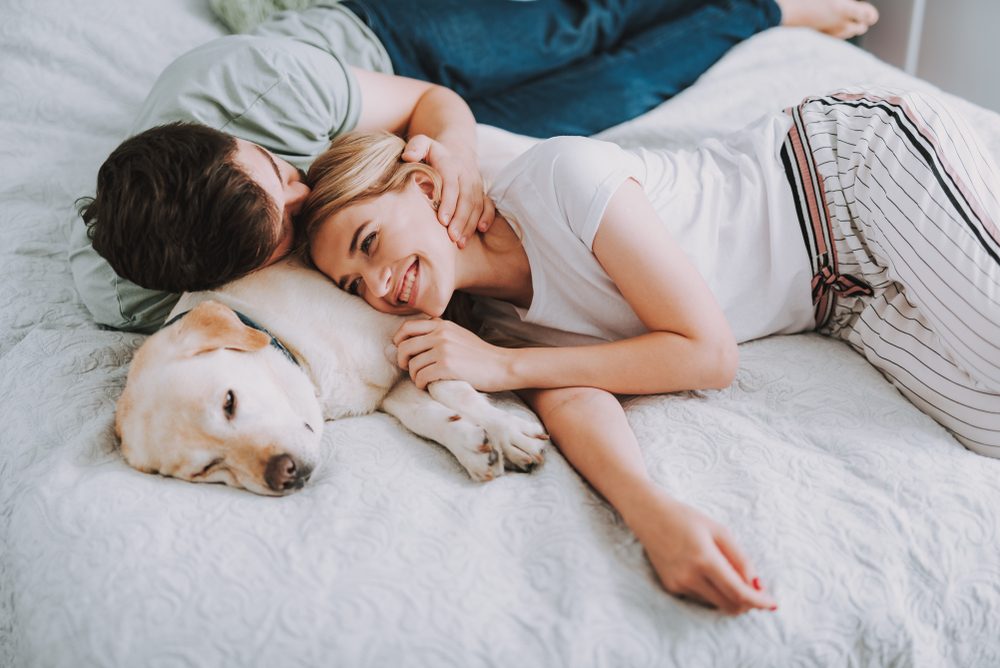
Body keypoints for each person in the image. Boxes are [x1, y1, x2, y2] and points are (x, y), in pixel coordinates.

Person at [301, 89, 1000, 614]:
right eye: (354, 285)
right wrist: (651, 514)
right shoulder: (491, 327)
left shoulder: (559, 180)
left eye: (368, 244)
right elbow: (577, 400)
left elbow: (707, 355)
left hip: (842, 177)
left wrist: (507, 370)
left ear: (426, 187)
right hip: (843, 299)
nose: (378, 285)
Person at [70, 0, 878, 334]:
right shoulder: (135, 289)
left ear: (221, 139)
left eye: (276, 172)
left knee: (576, 25)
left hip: (385, 46)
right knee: (617, 90)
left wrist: (455, 153)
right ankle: (758, 14)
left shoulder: (252, 85)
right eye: (283, 229)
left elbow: (431, 100)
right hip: (381, 178)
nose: (303, 187)